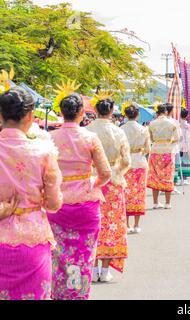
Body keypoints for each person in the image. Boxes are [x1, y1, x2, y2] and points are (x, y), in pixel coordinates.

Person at [0, 86, 63, 300]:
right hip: (32, 239)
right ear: (30, 116)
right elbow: (54, 203)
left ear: (1, 115)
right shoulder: (42, 153)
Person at [49, 92, 112, 299]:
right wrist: (92, 183)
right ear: (82, 113)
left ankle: (60, 293)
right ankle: (76, 294)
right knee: (82, 256)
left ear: (61, 112)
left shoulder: (50, 138)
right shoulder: (90, 138)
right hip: (85, 204)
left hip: (57, 204)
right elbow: (105, 173)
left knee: (59, 255)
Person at [87, 95, 131, 283]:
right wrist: (117, 172)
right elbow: (126, 160)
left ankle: (93, 267)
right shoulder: (118, 132)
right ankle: (104, 270)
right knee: (111, 224)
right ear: (112, 111)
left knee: (93, 223)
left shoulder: (87, 131)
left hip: (91, 180)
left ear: (95, 110)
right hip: (112, 180)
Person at [121, 103, 150, 234]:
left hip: (125, 162)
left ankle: (126, 224)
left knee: (125, 192)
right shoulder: (143, 130)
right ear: (137, 115)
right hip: (139, 161)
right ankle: (136, 224)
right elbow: (148, 148)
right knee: (138, 193)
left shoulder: (121, 129)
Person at [147, 105, 180, 209]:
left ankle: (155, 203)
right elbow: (177, 138)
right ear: (166, 111)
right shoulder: (172, 123)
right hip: (167, 150)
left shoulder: (152, 123)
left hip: (155, 150)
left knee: (154, 175)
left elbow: (150, 139)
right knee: (168, 175)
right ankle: (167, 203)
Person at [165, 104, 183, 193]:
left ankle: (163, 186)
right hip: (172, 148)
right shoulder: (174, 122)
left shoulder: (158, 121)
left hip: (161, 148)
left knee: (163, 168)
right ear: (171, 111)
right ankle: (172, 185)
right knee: (173, 167)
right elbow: (179, 135)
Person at [180, 109, 190, 183]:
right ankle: (184, 178)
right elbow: (188, 137)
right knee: (185, 161)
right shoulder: (187, 125)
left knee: (179, 161)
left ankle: (179, 177)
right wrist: (189, 147)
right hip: (185, 145)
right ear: (186, 115)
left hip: (179, 145)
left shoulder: (178, 123)